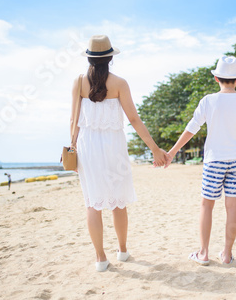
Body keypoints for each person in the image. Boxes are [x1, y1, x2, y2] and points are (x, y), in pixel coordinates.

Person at [70, 35, 168, 272]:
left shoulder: (79, 82)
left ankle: (100, 258)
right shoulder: (120, 83)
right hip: (114, 147)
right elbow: (134, 119)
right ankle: (122, 251)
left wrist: (72, 148)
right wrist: (155, 149)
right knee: (118, 202)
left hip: (88, 147)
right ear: (110, 58)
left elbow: (74, 120)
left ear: (89, 58)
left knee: (93, 204)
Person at [165, 55, 236, 265]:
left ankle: (203, 253)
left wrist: (172, 152)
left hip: (214, 161)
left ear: (216, 78)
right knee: (232, 207)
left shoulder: (208, 100)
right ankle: (226, 254)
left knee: (207, 205)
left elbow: (191, 129)